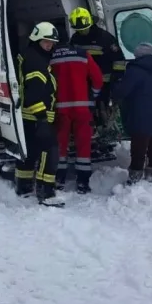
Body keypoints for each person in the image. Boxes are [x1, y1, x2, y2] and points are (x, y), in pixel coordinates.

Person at [14, 21, 64, 207]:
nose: (50, 45)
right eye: (46, 42)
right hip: (37, 116)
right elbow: (33, 93)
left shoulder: (32, 55)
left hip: (28, 116)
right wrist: (42, 119)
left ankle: (24, 186)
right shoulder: (36, 61)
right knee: (50, 151)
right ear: (36, 40)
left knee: (31, 152)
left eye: (52, 42)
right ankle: (46, 191)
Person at [111, 42, 152, 184]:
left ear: (137, 55)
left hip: (141, 116)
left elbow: (122, 91)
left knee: (139, 150)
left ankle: (135, 179)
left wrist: (114, 89)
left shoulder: (135, 70)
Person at [50, 41, 104, 193]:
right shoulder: (82, 54)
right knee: (83, 144)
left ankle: (59, 179)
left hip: (60, 108)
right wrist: (93, 95)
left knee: (60, 144)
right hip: (82, 107)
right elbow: (98, 79)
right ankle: (82, 182)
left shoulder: (51, 57)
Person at [68, 7, 127, 126]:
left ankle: (104, 127)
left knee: (102, 107)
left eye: (84, 29)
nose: (82, 32)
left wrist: (117, 77)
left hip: (104, 82)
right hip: (83, 82)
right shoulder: (75, 39)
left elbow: (119, 59)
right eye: (79, 29)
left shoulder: (105, 38)